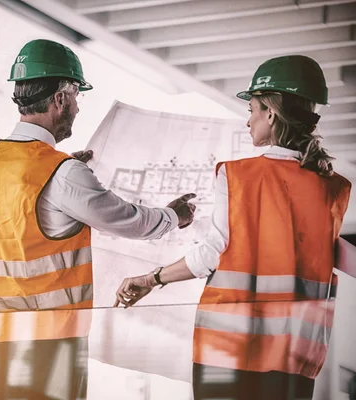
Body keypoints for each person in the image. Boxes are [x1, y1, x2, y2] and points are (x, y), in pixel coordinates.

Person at [0, 38, 196, 399]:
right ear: (61, 98)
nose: (79, 109)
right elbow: (127, 219)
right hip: (48, 348)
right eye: (77, 97)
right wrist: (173, 216)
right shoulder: (61, 173)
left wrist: (66, 173)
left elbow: (18, 226)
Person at [113, 55, 352, 400]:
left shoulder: (238, 176)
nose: (248, 121)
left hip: (229, 349)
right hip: (296, 354)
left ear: (271, 112)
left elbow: (212, 254)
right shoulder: (334, 188)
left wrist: (152, 278)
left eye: (252, 109)